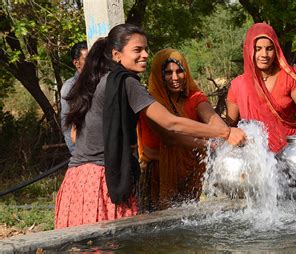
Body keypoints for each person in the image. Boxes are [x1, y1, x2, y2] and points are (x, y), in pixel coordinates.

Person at [55, 24, 246, 229]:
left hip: (77, 181)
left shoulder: (96, 81)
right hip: (103, 181)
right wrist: (225, 132)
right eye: (137, 50)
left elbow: (76, 134)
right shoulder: (126, 83)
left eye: (146, 49)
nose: (145, 55)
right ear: (116, 54)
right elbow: (170, 122)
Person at [136, 48, 227, 211]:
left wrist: (225, 132)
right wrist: (210, 144)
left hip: (190, 173)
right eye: (168, 73)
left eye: (179, 71)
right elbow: (171, 137)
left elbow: (212, 117)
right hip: (158, 174)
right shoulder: (149, 102)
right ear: (158, 75)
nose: (175, 78)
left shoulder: (194, 97)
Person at [226, 23, 296, 153]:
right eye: (258, 49)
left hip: (291, 151)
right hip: (257, 157)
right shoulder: (238, 85)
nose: (264, 54)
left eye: (269, 48)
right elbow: (229, 125)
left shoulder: (288, 77)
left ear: (276, 50)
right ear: (249, 50)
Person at [60, 41, 88, 153]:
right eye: (87, 59)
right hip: (84, 154)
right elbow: (67, 125)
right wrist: (76, 154)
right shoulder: (70, 88)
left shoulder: (100, 82)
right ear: (77, 63)